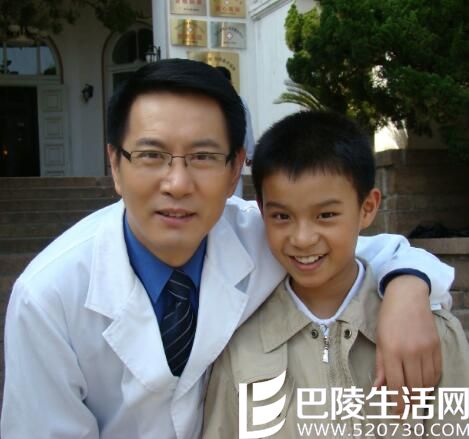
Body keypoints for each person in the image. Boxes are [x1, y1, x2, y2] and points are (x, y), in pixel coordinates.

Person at [1, 59, 453, 439]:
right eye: (152, 155)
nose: (178, 183)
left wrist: (407, 293)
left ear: (237, 167)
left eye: (203, 156)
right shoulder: (48, 298)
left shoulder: (262, 233)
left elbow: (371, 249)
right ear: (115, 166)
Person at [202, 111, 468, 438]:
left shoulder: (431, 333)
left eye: (326, 215)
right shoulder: (240, 345)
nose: (303, 238)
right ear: (261, 210)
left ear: (367, 208)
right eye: (282, 216)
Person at [215, 66, 256, 197]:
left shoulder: (240, 101)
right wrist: (250, 153)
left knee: (234, 182)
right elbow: (247, 127)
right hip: (219, 151)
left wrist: (250, 153)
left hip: (232, 150)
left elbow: (247, 127)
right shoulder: (210, 101)